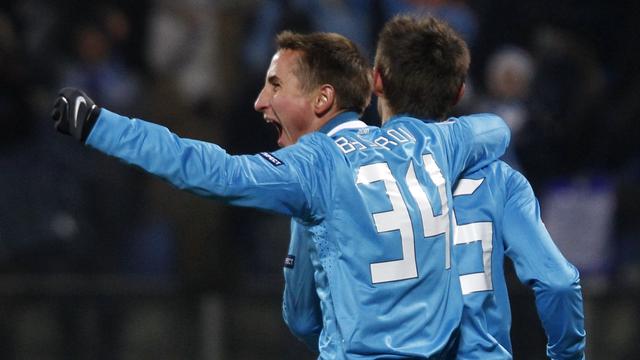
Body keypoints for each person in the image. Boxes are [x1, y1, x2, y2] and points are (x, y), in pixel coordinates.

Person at [51, 30, 510, 358]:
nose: (259, 103)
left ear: (321, 100)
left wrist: (100, 126)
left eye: (275, 86)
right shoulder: (431, 143)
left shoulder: (314, 166)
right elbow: (494, 129)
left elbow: (212, 171)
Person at [283, 15, 586, 359]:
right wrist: (568, 355)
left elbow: (302, 315)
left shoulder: (339, 171)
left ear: (377, 81)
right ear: (458, 91)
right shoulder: (501, 180)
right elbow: (558, 283)